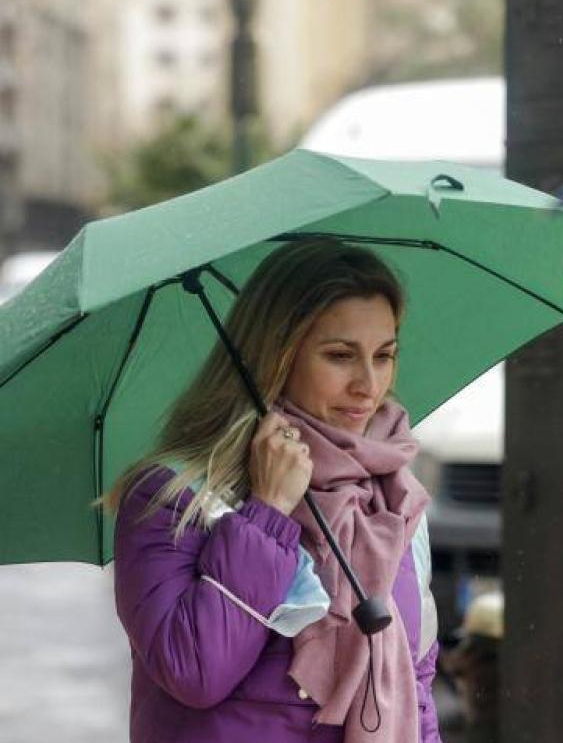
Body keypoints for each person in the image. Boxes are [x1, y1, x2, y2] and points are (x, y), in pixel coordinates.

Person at [104, 238, 442, 743]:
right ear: (277, 355)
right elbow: (194, 672)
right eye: (340, 355)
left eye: (384, 355)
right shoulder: (176, 496)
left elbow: (414, 692)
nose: (368, 385)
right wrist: (267, 512)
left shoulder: (393, 500)